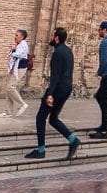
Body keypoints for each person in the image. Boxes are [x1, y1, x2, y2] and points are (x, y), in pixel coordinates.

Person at [26, 27, 81, 160]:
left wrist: (50, 94)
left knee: (40, 118)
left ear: (56, 38)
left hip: (57, 89)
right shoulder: (68, 51)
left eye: (52, 35)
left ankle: (41, 150)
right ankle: (73, 140)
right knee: (53, 118)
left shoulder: (57, 53)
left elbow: (55, 76)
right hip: (66, 88)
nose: (51, 37)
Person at [0, 29, 31, 118]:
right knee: (8, 88)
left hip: (20, 68)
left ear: (22, 37)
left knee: (10, 87)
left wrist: (13, 51)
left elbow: (19, 54)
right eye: (15, 35)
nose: (15, 37)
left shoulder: (23, 44)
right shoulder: (19, 45)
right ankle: (8, 111)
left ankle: (22, 104)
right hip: (15, 68)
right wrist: (14, 50)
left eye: (17, 35)